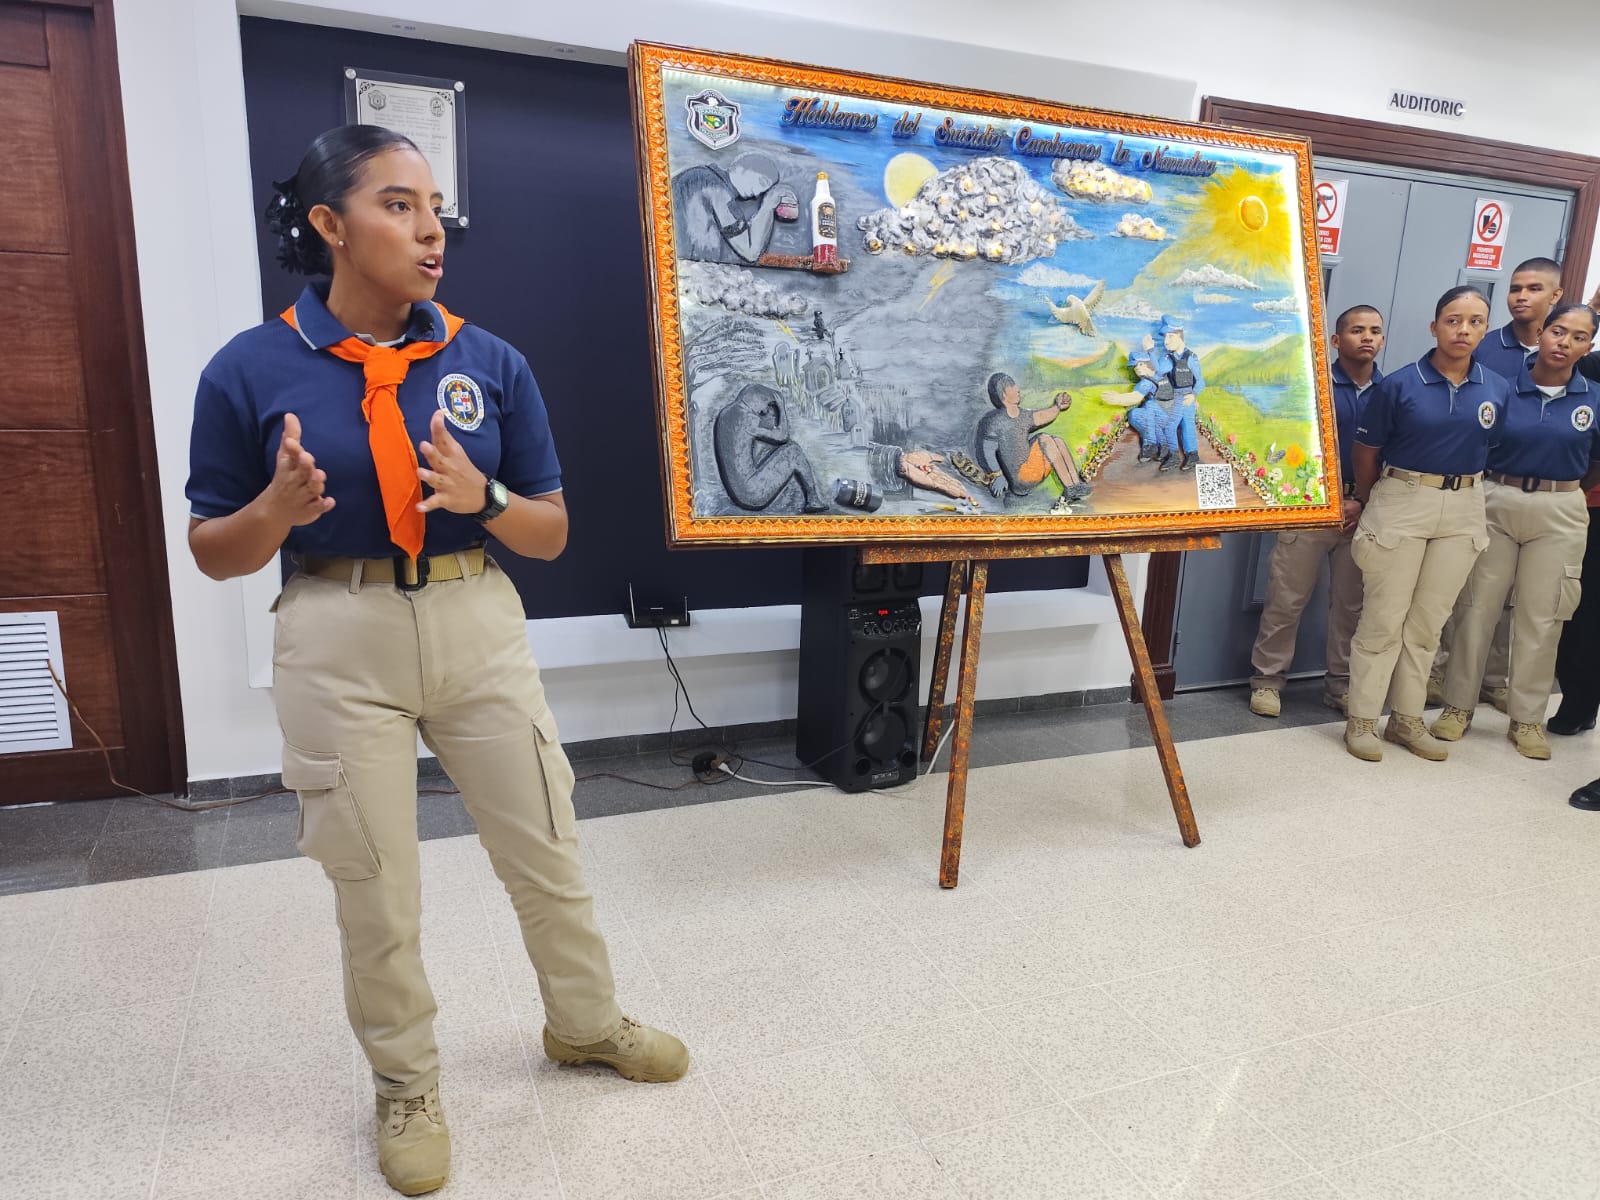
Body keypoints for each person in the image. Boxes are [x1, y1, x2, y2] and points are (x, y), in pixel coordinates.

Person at [185, 126, 687, 1197]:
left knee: (545, 846)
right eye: (399, 205)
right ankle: (405, 1085)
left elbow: (549, 531)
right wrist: (273, 511)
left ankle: (585, 1023)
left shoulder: (489, 361)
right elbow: (213, 550)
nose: (431, 230)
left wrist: (486, 498)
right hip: (337, 633)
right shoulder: (248, 368)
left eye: (434, 207)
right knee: (375, 886)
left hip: (475, 621)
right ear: (330, 224)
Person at [1342, 286, 1508, 762]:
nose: (1464, 330)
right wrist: (1372, 499)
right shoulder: (1399, 385)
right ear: (1435, 327)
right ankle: (1362, 720)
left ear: (1485, 329)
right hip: (1403, 498)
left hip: (1463, 505)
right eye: (1453, 320)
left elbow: (1491, 446)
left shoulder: (1496, 388)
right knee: (1383, 619)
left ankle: (1407, 720)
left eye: (1475, 322)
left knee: (1428, 623)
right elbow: (1366, 454)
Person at [1431, 304, 1600, 758]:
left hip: (1560, 508)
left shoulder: (1595, 398)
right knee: (1475, 608)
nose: (1565, 343)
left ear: (1588, 347)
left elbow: (1594, 465)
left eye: (1579, 337)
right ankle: (1457, 707)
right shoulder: (1500, 389)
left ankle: (1527, 719)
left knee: (1543, 617)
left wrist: (1556, 488)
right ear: (1542, 333)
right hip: (1497, 500)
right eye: (1558, 331)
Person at [1430, 258, 1567, 709]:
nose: (1521, 297)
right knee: (1467, 589)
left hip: (1540, 493)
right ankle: (1443, 674)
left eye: (1534, 288)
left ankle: (1494, 679)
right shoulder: (1485, 346)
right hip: (1484, 482)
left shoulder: (1565, 351)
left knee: (1516, 597)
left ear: (1556, 295)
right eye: (1515, 288)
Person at [1248, 305, 1384, 718]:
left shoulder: (1391, 391)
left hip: (1365, 511)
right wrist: (1325, 498)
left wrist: (1362, 500)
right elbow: (1289, 444)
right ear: (1336, 340)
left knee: (1350, 606)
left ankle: (1340, 685)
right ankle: (1267, 681)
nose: (1367, 337)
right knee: (1285, 600)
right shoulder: (1313, 386)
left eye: (1375, 331)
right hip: (1311, 506)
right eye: (1357, 330)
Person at [973, 372, 1092, 512]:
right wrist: (997, 475)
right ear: (1003, 394)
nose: (1017, 389)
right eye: (1012, 386)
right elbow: (986, 450)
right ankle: (1070, 487)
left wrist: (1058, 406)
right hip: (1021, 478)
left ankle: (1075, 484)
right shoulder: (995, 422)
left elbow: (1041, 416)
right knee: (1044, 439)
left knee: (1057, 441)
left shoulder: (1022, 415)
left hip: (1032, 469)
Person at [1159, 315, 1204, 472]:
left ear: (1179, 335)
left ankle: (1192, 455)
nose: (1166, 341)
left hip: (1186, 397)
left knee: (1187, 424)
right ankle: (1172, 455)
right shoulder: (1166, 358)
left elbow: (1200, 381)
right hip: (1171, 398)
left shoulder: (1191, 358)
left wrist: (1193, 395)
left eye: (1170, 336)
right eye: (1165, 337)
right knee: (1168, 424)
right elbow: (1159, 373)